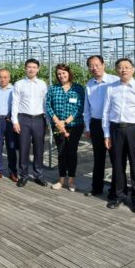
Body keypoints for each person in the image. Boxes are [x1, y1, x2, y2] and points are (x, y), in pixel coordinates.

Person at [102, 58, 135, 212]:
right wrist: (107, 134)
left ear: (133, 69)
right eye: (120, 68)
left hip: (134, 130)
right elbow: (106, 113)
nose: (124, 70)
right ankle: (119, 196)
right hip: (115, 130)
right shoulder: (111, 88)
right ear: (116, 70)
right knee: (117, 165)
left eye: (127, 67)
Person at [83, 55, 119, 197]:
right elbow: (87, 108)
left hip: (112, 123)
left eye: (97, 65)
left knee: (116, 158)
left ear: (104, 64)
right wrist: (87, 126)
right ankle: (96, 188)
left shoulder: (114, 81)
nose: (94, 68)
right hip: (96, 124)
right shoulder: (89, 84)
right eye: (91, 66)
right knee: (98, 157)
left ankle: (115, 190)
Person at [46, 63, 85, 191]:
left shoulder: (78, 88)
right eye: (59, 74)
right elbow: (48, 106)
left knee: (72, 152)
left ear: (69, 73)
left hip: (75, 125)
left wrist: (65, 122)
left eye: (63, 73)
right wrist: (58, 122)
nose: (61, 75)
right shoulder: (53, 88)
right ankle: (61, 180)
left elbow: (80, 107)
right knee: (61, 152)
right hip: (57, 126)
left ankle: (71, 180)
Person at [12, 59, 48, 187]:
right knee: (23, 148)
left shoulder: (42, 84)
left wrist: (47, 121)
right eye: (29, 67)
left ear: (38, 69)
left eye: (34, 67)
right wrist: (15, 121)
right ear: (25, 68)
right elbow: (15, 103)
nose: (31, 69)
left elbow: (45, 103)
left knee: (39, 148)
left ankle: (38, 175)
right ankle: (23, 175)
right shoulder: (19, 84)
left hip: (39, 119)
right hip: (24, 119)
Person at [0, 68, 18, 181]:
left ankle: (12, 171)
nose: (2, 79)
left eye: (5, 77)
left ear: (9, 78)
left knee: (11, 147)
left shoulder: (14, 89)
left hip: (10, 120)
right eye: (0, 77)